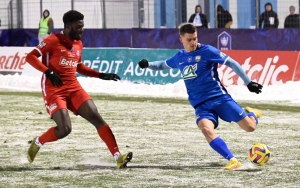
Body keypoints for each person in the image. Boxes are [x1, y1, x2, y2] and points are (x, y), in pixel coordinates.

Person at [138, 23, 263, 170]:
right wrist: (148, 65)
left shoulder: (208, 51)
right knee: (206, 129)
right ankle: (233, 160)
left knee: (250, 128)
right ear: (181, 40)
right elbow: (162, 65)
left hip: (219, 98)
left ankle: (252, 114)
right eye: (189, 40)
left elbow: (231, 63)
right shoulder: (180, 57)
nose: (193, 43)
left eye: (195, 39)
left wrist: (248, 83)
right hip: (201, 106)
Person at [26, 10, 132, 168]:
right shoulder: (52, 40)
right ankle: (38, 142)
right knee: (65, 129)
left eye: (82, 26)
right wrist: (48, 72)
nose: (82, 29)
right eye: (79, 26)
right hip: (54, 88)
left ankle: (118, 157)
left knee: (96, 117)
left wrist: (100, 75)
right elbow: (30, 57)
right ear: (68, 26)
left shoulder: (78, 43)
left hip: (73, 87)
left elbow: (78, 66)